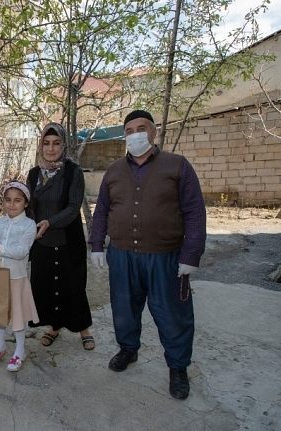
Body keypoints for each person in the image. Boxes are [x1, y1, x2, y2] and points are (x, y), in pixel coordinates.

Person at [88, 109, 206, 400]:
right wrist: (97, 245)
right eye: (128, 131)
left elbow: (194, 212)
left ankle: (178, 367)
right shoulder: (114, 171)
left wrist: (190, 255)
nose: (135, 135)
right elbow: (102, 210)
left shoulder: (177, 166)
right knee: (124, 309)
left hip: (164, 257)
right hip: (122, 256)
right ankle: (128, 349)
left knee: (172, 314)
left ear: (153, 132)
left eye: (141, 128)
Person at [26, 122, 95, 350]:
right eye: (46, 143)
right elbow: (30, 207)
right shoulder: (34, 174)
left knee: (73, 286)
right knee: (47, 287)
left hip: (68, 240)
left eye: (56, 143)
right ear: (40, 145)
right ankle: (54, 327)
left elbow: (74, 207)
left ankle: (83, 328)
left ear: (63, 145)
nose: (50, 148)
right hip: (42, 242)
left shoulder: (73, 172)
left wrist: (50, 222)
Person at [0, 181, 39, 372]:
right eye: (8, 200)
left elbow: (21, 251)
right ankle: (0, 346)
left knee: (18, 316)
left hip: (16, 278)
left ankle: (20, 351)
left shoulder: (29, 225)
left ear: (26, 203)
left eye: (17, 200)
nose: (12, 204)